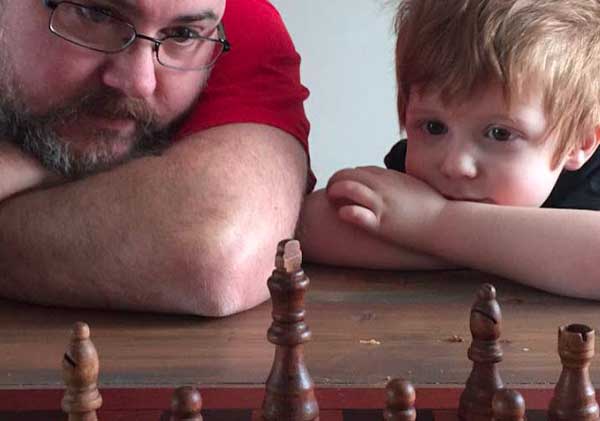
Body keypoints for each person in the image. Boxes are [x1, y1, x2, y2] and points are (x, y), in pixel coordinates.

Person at [0, 0, 313, 316]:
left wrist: (34, 167)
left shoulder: (221, 19)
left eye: (181, 34)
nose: (138, 82)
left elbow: (211, 253)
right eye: (96, 15)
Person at [299, 0, 600, 299]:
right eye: (433, 127)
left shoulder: (591, 180)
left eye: (499, 133)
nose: (455, 164)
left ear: (579, 143)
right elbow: (310, 224)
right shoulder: (417, 178)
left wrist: (432, 223)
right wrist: (503, 251)